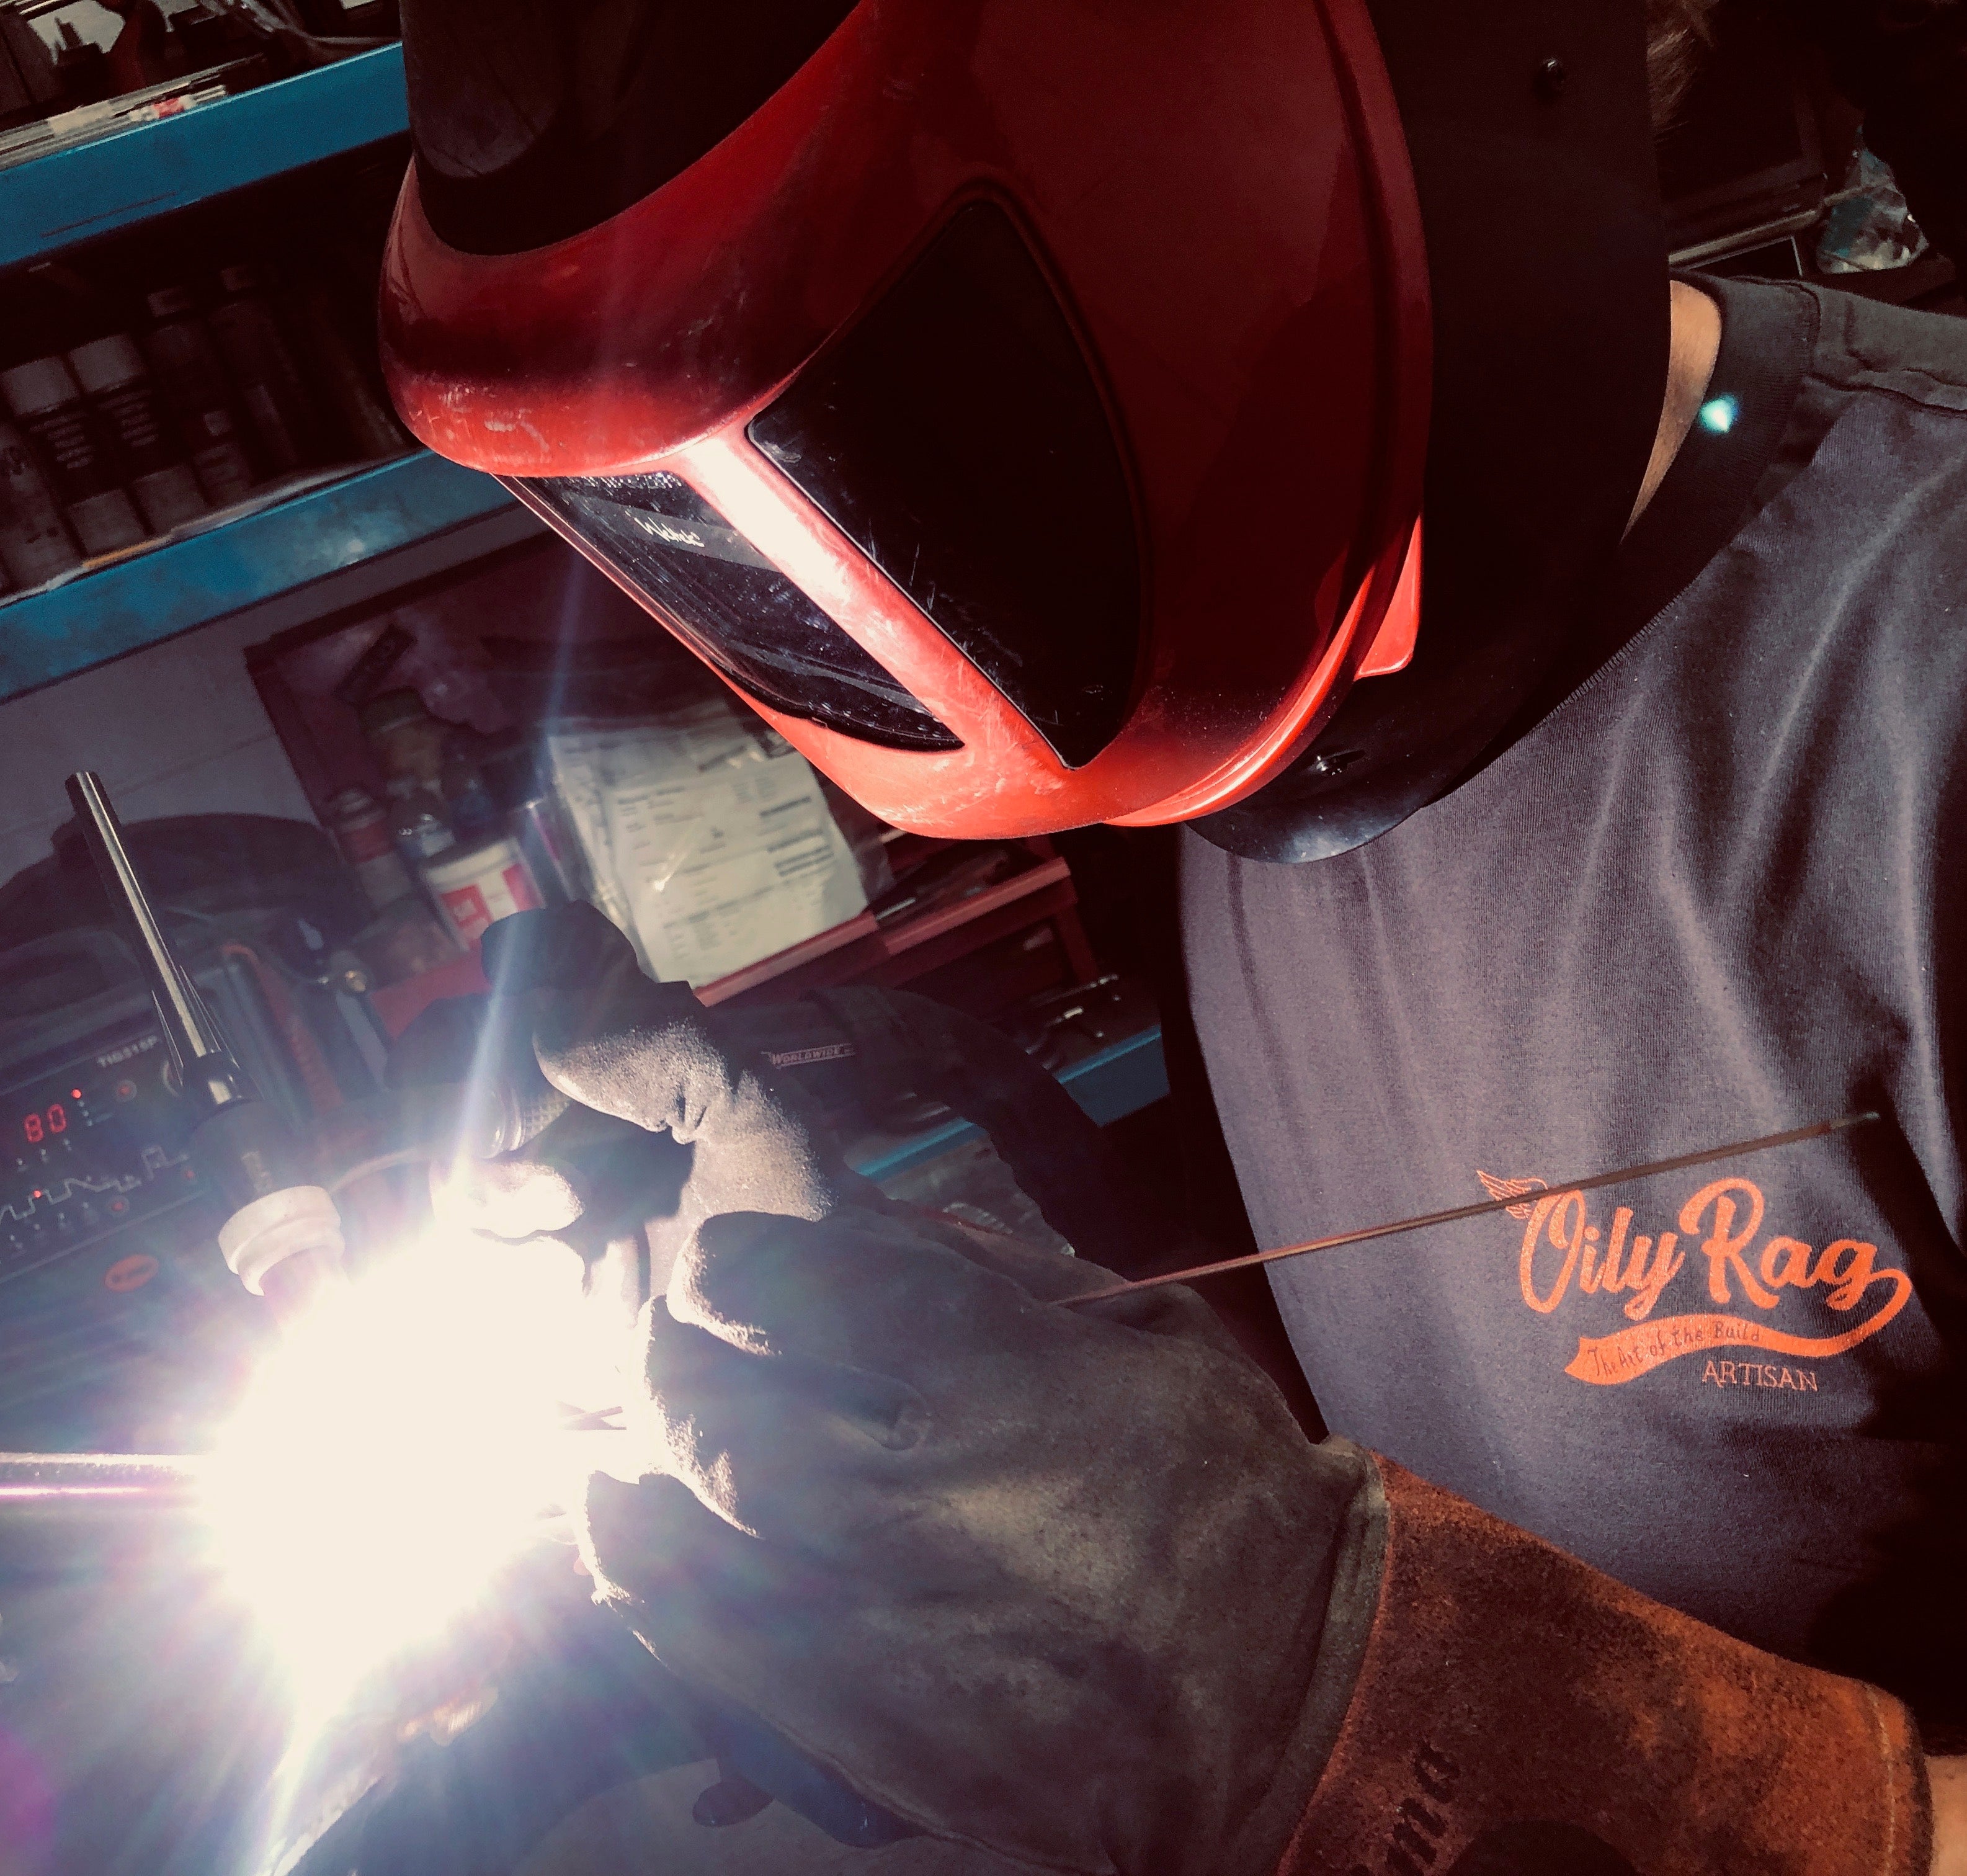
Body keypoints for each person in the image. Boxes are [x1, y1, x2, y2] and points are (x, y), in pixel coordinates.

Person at [383, 0, 1967, 1869]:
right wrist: (969, 1461)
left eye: (943, 398)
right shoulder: (1257, 684)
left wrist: (1362, 1720)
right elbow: (1398, 1432)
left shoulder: (1914, 693)